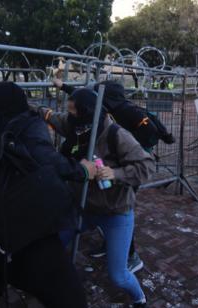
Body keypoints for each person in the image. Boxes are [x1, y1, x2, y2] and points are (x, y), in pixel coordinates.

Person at [0, 82, 94, 308]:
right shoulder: (30, 125)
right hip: (31, 231)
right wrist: (82, 170)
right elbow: (48, 159)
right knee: (71, 299)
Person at [35, 87, 155, 307]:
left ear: (87, 113)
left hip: (115, 213)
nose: (69, 115)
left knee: (119, 275)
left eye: (73, 112)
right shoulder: (75, 125)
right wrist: (27, 108)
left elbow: (147, 166)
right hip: (82, 209)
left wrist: (116, 173)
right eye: (68, 111)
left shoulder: (116, 134)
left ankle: (139, 299)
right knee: (51, 246)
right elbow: (51, 116)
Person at [52, 79, 147, 273]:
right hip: (92, 197)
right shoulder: (90, 115)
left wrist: (118, 171)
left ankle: (130, 255)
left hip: (122, 175)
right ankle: (111, 245)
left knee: (119, 219)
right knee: (98, 221)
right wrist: (62, 87)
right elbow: (75, 103)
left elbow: (146, 158)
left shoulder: (123, 117)